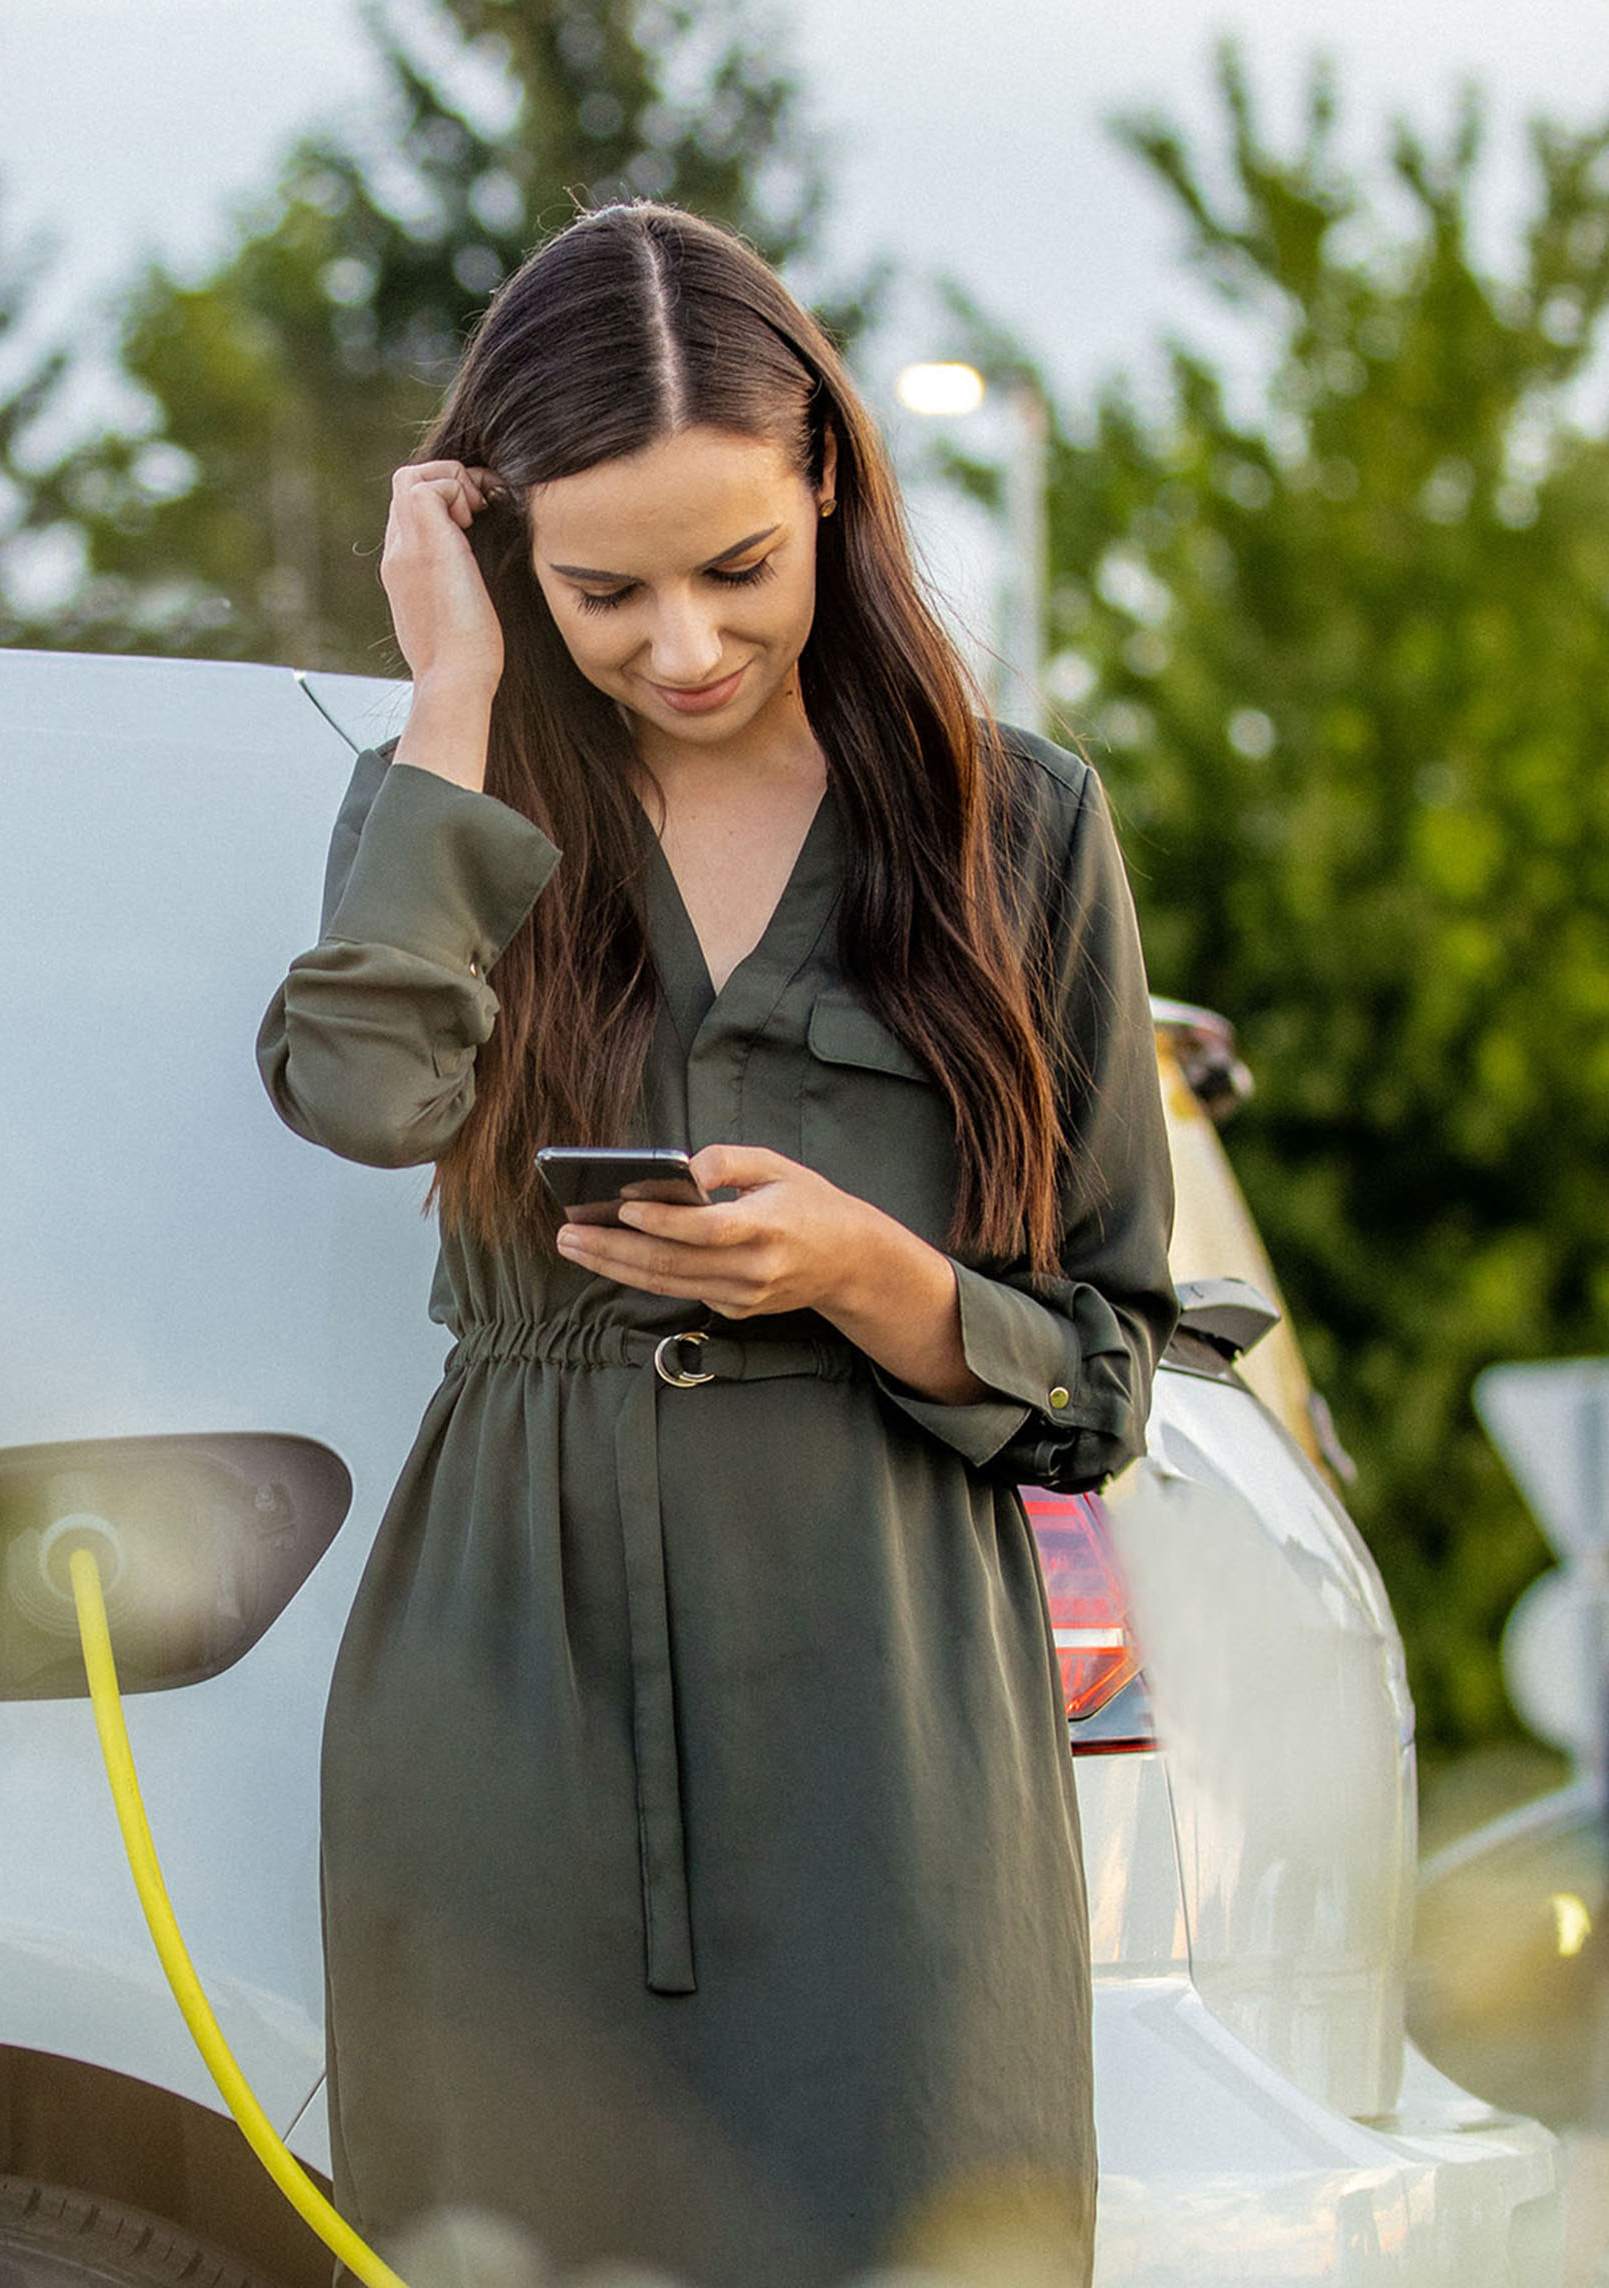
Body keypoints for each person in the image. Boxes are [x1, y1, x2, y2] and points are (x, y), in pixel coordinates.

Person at [258, 202, 1173, 2288]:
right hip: (504, 1697)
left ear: (830, 484)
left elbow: (1104, 1369)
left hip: (886, 1722)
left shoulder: (1010, 826)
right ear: (508, 559)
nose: (681, 640)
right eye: (604, 586)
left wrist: (870, 1269)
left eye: (736, 566)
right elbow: (364, 1097)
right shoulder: (463, 782)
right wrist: (458, 687)